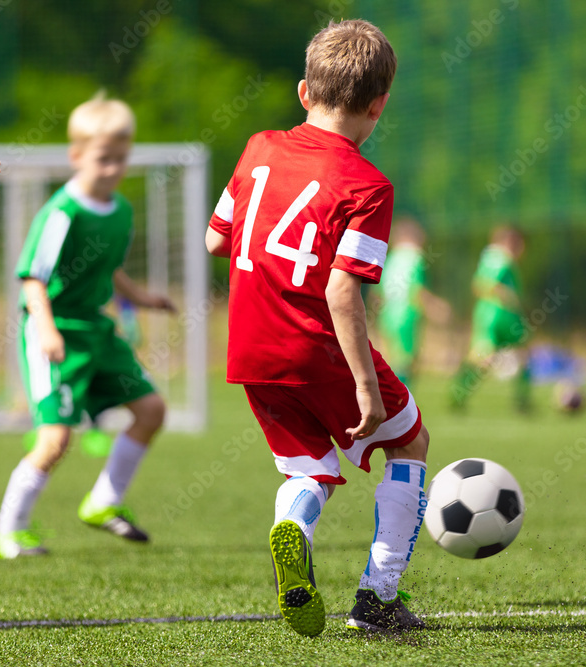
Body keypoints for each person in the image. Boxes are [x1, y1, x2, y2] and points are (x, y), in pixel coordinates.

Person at [206, 20, 429, 635]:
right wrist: (364, 382)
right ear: (378, 105)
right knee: (409, 443)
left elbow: (213, 239)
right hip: (317, 349)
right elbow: (340, 287)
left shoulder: (258, 148)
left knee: (308, 470)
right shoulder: (367, 184)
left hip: (251, 349)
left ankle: (294, 527)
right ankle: (378, 599)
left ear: (305, 91)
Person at [0, 92, 174, 560]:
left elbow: (106, 269)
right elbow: (34, 277)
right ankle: (10, 531)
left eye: (121, 158)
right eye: (102, 158)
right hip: (55, 334)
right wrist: (47, 329)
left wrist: (141, 298)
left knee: (152, 409)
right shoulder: (61, 213)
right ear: (76, 155)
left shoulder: (120, 212)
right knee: (55, 440)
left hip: (97, 329)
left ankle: (103, 501)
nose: (113, 168)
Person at [449, 225, 531, 412]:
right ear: (512, 242)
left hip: (495, 315)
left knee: (512, 356)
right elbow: (482, 284)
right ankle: (458, 395)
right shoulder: (499, 257)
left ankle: (458, 395)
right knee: (490, 357)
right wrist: (508, 297)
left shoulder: (493, 257)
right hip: (497, 315)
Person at [374, 216, 450, 387]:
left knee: (397, 360)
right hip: (406, 315)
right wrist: (435, 308)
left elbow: (378, 293)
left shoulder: (390, 258)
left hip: (388, 315)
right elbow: (416, 290)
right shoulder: (415, 257)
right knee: (406, 362)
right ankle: (400, 400)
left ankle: (396, 397)